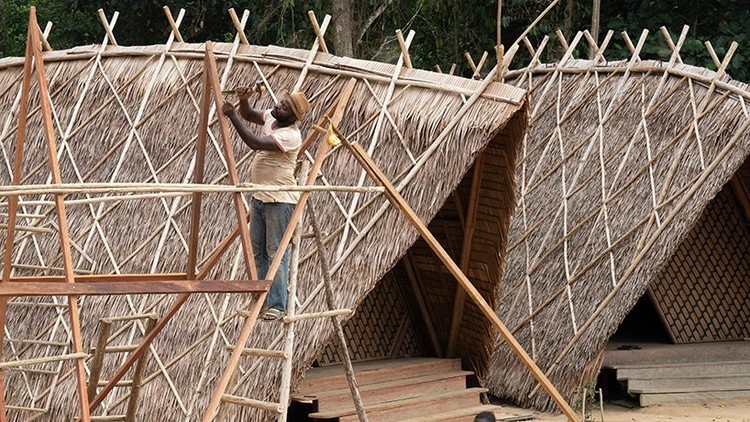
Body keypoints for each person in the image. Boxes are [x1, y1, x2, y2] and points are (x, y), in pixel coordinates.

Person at [222, 86, 310, 321]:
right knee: (258, 251)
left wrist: (231, 116)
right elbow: (250, 115)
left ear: (291, 117)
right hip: (260, 197)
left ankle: (277, 304)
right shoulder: (273, 116)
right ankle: (263, 299)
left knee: (276, 252)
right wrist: (243, 101)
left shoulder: (290, 136)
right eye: (280, 102)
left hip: (279, 200)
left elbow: (255, 143)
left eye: (283, 107)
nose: (277, 106)